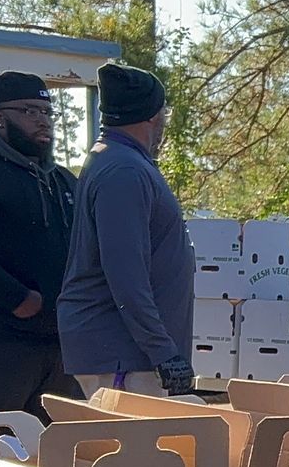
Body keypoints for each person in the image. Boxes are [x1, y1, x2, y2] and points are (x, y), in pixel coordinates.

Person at [57, 63, 194, 398]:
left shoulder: (119, 160)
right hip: (122, 355)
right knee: (137, 451)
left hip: (126, 352)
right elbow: (125, 273)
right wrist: (163, 351)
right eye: (164, 112)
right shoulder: (123, 171)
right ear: (152, 115)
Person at [0, 72, 80, 418]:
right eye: (30, 111)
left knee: (53, 458)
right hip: (2, 345)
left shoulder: (63, 181)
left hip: (59, 348)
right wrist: (17, 299)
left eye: (47, 111)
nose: (43, 120)